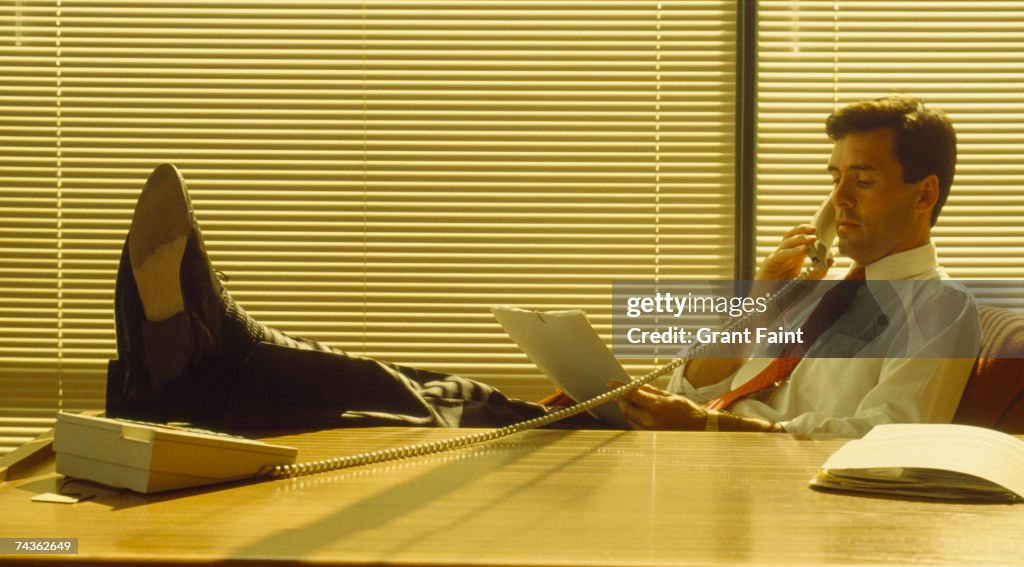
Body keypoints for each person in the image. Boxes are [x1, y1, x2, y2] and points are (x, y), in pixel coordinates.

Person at [106, 95, 979, 436]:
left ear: (924, 194)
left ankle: (203, 358)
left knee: (431, 416)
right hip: (668, 442)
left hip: (704, 466)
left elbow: (876, 452)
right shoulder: (816, 292)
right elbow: (710, 375)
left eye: (861, 179)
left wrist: (704, 427)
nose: (841, 200)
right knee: (443, 394)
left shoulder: (940, 313)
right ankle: (205, 358)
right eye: (834, 180)